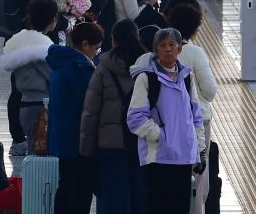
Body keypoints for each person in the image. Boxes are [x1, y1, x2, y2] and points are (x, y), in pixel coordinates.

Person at [127, 27, 207, 214]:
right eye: (162, 45)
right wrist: (160, 136)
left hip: (184, 157)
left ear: (180, 49)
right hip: (159, 157)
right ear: (156, 50)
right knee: (158, 207)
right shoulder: (146, 78)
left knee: (181, 208)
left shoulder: (187, 77)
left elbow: (195, 116)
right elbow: (135, 118)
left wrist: (200, 149)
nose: (168, 49)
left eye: (172, 44)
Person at [80, 19, 148, 214]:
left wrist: (86, 152)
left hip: (110, 145)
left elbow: (90, 112)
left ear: (114, 40)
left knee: (112, 199)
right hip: (141, 142)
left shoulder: (103, 68)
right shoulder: (149, 67)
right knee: (140, 197)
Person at [167, 1, 219, 214]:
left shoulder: (161, 50)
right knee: (199, 180)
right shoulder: (195, 53)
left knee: (173, 179)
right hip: (197, 123)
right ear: (195, 28)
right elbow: (210, 91)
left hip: (169, 122)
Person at [48, 21, 103, 214]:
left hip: (63, 136)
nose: (96, 53)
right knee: (80, 190)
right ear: (85, 44)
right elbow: (90, 102)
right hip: (78, 138)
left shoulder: (61, 62)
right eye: (96, 48)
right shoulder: (79, 67)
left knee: (66, 186)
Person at [0, 0, 58, 153]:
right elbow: (53, 77)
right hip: (43, 106)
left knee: (34, 150)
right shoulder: (44, 47)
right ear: (52, 19)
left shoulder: (18, 42)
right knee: (44, 155)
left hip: (25, 104)